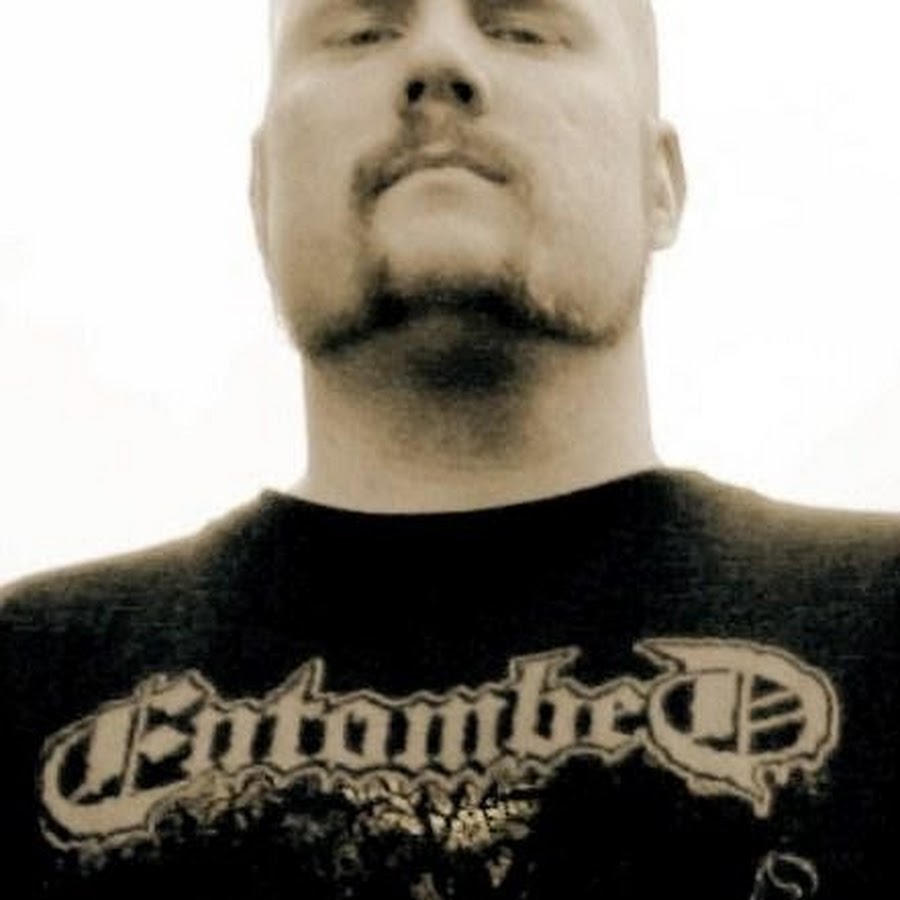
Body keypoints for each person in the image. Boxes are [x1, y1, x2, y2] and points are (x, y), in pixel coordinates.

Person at [1, 1, 896, 898]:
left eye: (522, 27)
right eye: (362, 32)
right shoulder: (30, 671)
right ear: (262, 190)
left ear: (658, 182)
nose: (436, 60)